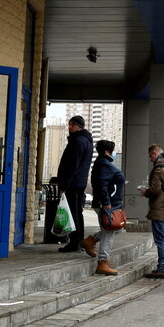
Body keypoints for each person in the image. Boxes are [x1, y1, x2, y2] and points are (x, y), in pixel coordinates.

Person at [81, 140, 124, 275]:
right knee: (109, 232)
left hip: (112, 204)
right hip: (106, 205)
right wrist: (106, 203)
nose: (113, 153)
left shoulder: (103, 164)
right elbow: (102, 185)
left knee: (117, 229)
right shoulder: (103, 165)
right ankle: (102, 263)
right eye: (112, 150)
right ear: (107, 152)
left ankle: (91, 240)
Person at [56, 115, 94, 253]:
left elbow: (72, 165)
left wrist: (64, 185)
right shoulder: (87, 141)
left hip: (72, 183)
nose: (69, 127)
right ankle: (79, 240)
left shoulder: (77, 141)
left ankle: (74, 242)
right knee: (77, 212)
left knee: (72, 213)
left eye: (71, 124)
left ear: (78, 126)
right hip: (80, 182)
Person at [139, 144, 164, 279]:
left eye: (151, 156)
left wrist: (145, 192)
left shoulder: (159, 169)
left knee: (161, 239)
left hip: (160, 209)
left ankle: (162, 268)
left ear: (155, 153)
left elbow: (155, 190)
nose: (150, 159)